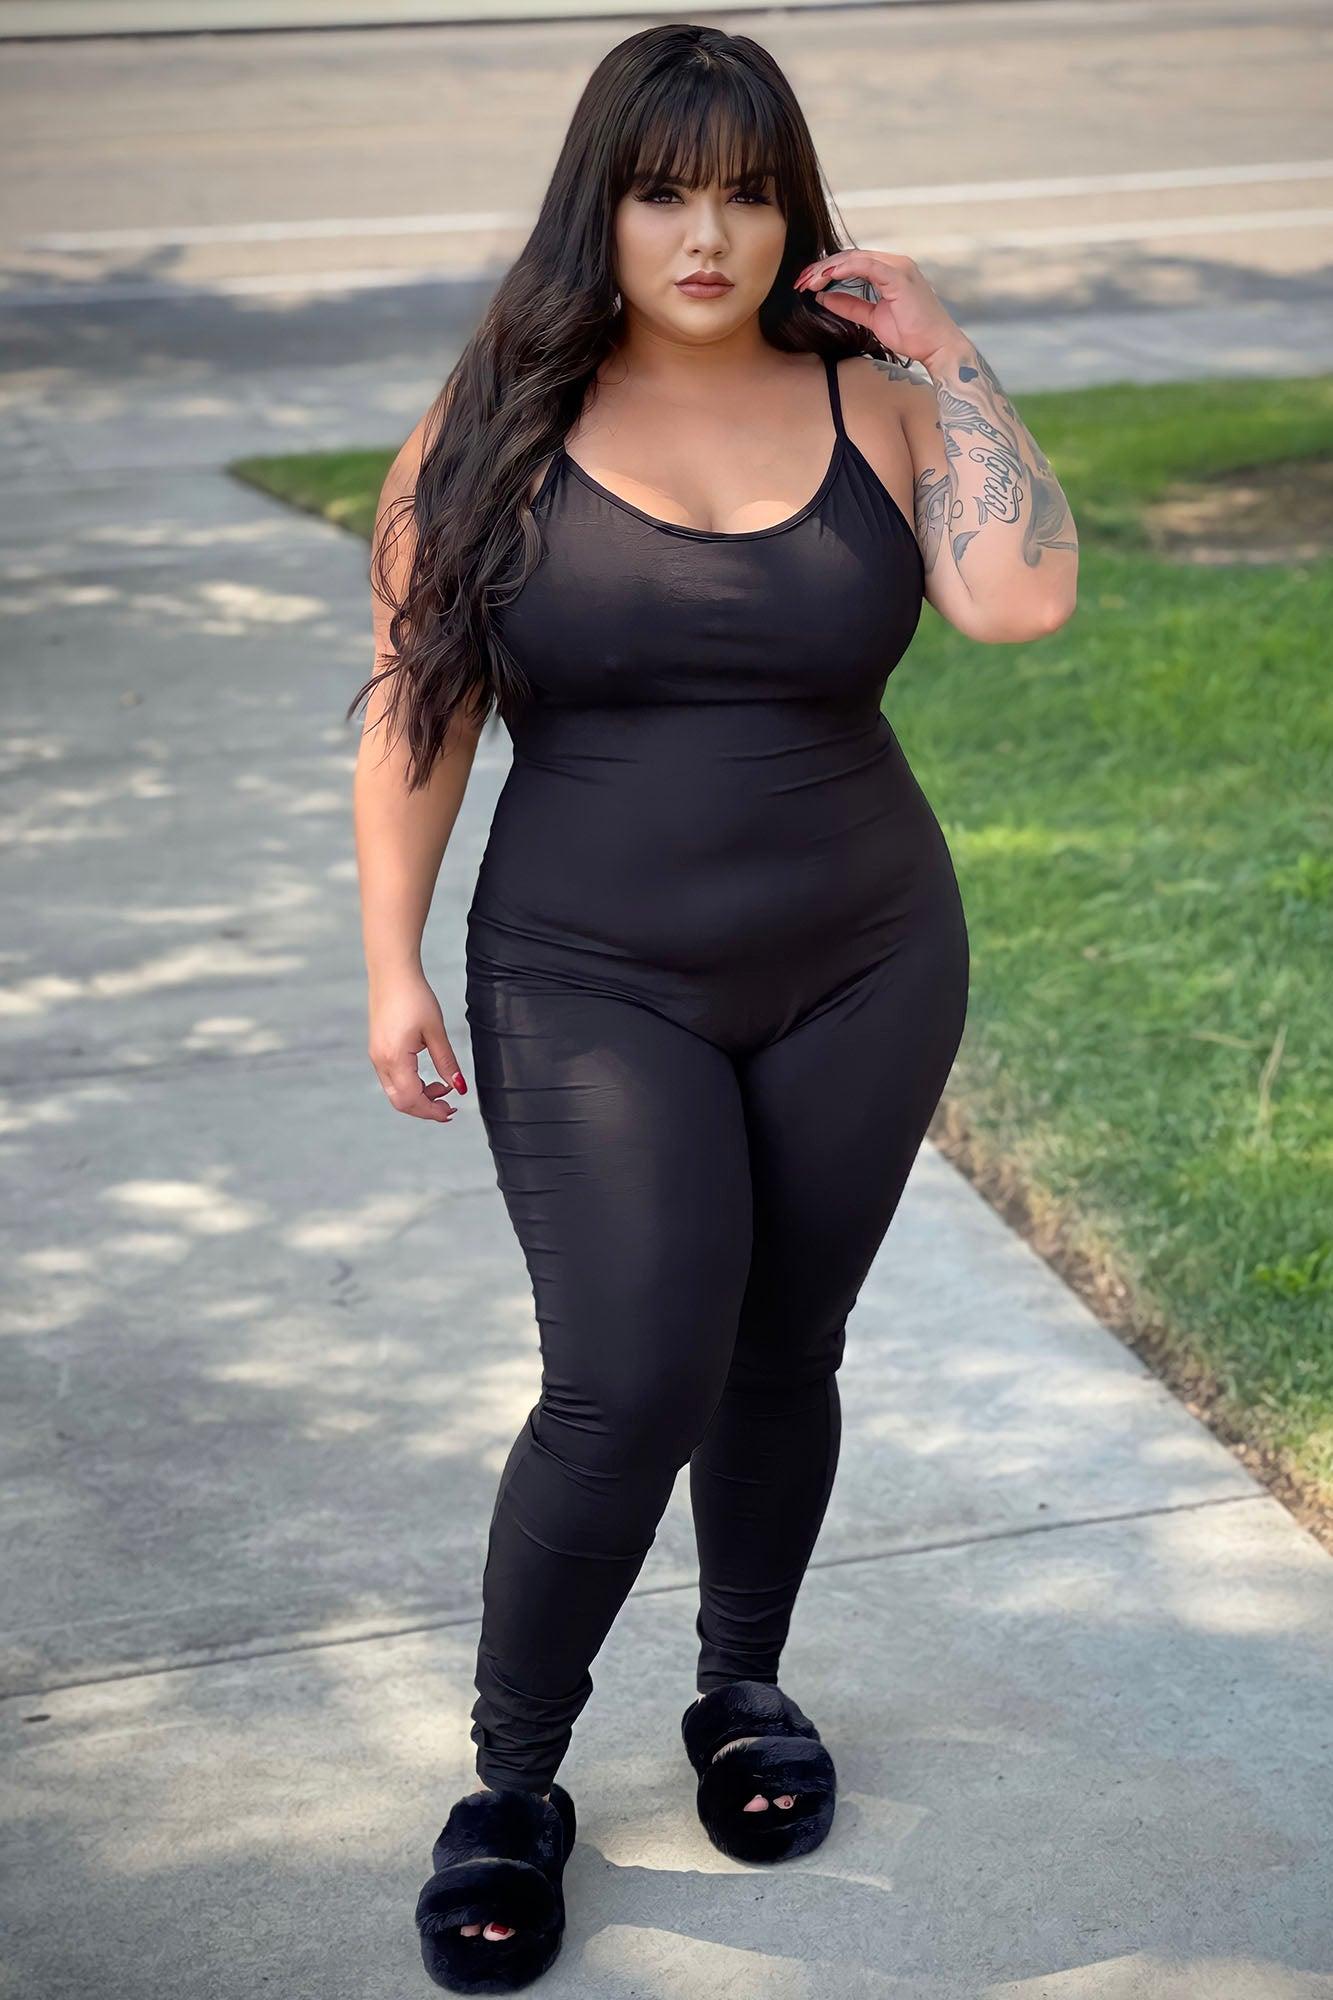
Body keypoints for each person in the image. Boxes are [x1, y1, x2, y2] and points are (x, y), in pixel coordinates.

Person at [349, 22, 1077, 1992]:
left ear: (790, 215)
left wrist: (944, 345)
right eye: (664, 190)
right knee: (627, 1377)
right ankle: (510, 1781)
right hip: (588, 972)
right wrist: (390, 956)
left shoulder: (877, 405)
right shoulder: (495, 418)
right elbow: (421, 708)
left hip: (864, 956)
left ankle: (741, 1687)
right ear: (600, 206)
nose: (706, 233)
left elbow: (1016, 601)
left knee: (781, 1349)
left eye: (746, 194)